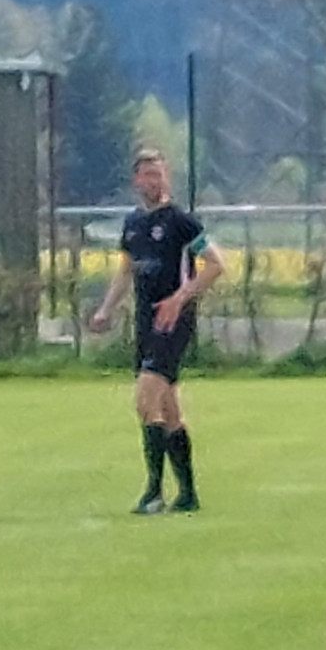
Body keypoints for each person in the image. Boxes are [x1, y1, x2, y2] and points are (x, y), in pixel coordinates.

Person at [85, 145, 224, 514]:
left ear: (167, 177)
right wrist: (105, 309)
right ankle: (188, 494)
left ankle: (153, 492)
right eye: (147, 174)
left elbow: (214, 265)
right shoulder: (133, 224)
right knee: (168, 409)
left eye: (159, 173)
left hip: (173, 322)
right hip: (147, 323)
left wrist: (180, 299)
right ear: (136, 180)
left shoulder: (181, 222)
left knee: (145, 401)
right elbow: (126, 269)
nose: (154, 180)